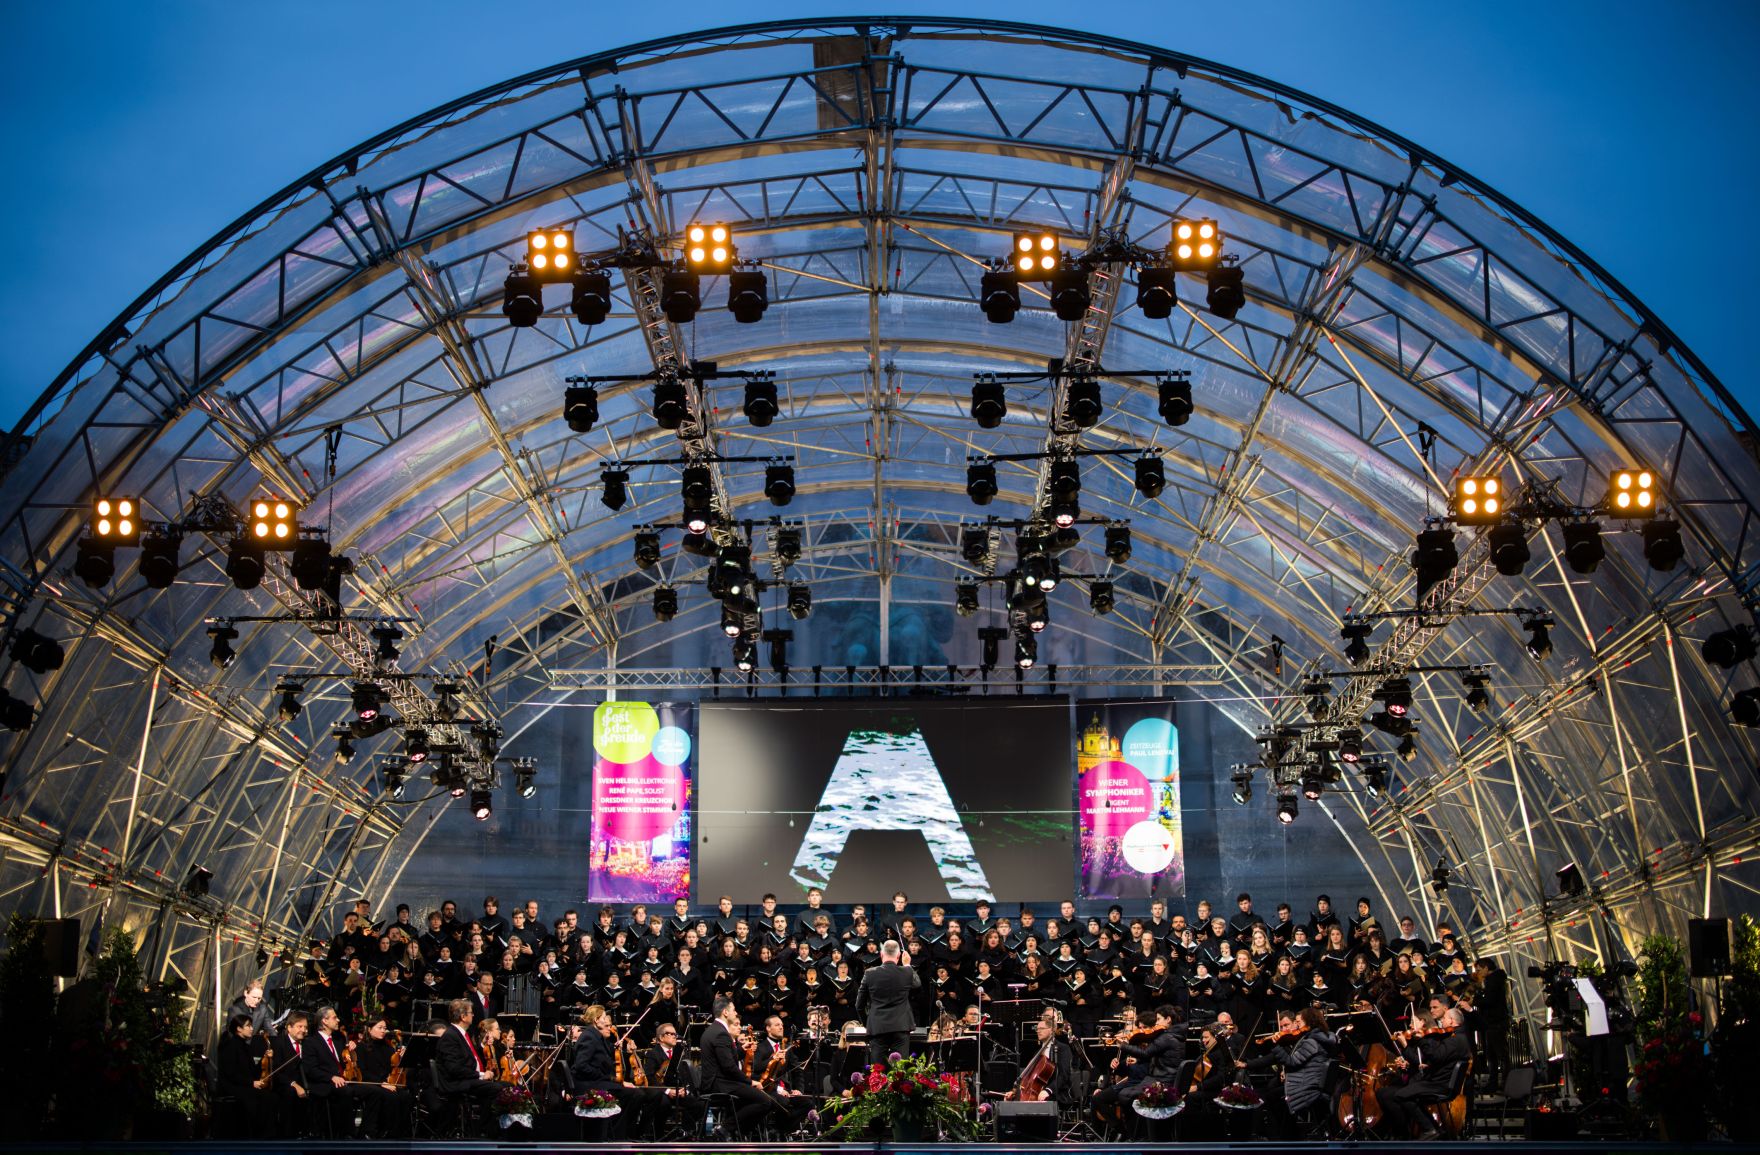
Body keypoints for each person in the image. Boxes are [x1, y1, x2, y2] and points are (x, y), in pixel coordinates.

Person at [698, 996, 791, 1135]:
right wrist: (750, 1082)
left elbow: (724, 1059)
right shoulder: (721, 1034)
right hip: (719, 1084)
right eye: (734, 1010)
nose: (736, 1013)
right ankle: (727, 1129)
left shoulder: (712, 1030)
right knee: (765, 1101)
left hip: (718, 1081)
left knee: (758, 1099)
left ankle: (735, 1131)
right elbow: (729, 1067)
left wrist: (742, 1050)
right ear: (725, 1012)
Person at [1377, 1006, 1473, 1140]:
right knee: (1402, 1093)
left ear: (1452, 1021)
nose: (1442, 1021)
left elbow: (1435, 1056)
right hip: (1440, 1081)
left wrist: (1421, 1040)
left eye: (1444, 1018)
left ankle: (1430, 1129)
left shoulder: (1455, 1040)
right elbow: (1443, 1060)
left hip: (1440, 1084)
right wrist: (1428, 1066)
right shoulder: (1459, 1038)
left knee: (1402, 1095)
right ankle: (1433, 1129)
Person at [433, 998, 506, 1133]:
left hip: (468, 1079)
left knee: (509, 1086)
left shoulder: (462, 1034)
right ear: (463, 1016)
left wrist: (483, 1046)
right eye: (471, 1013)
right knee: (496, 1089)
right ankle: (482, 1129)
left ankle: (500, 1128)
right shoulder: (450, 1036)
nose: (473, 1015)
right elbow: (453, 1068)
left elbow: (470, 1059)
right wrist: (481, 1074)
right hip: (457, 1082)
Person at [855, 939, 920, 1063]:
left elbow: (859, 1005)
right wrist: (907, 965)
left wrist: (867, 1022)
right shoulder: (906, 971)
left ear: (881, 955)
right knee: (899, 1072)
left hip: (878, 1027)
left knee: (878, 1073)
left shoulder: (869, 974)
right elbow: (917, 984)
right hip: (900, 1027)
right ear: (899, 956)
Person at [214, 1012, 277, 1137]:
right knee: (260, 1098)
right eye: (248, 1026)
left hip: (243, 1085)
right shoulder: (230, 1045)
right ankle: (254, 1135)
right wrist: (251, 1083)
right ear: (239, 1028)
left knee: (270, 1097)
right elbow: (230, 1073)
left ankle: (264, 1136)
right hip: (232, 1086)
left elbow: (252, 1071)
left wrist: (265, 1059)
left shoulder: (245, 1046)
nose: (252, 1028)